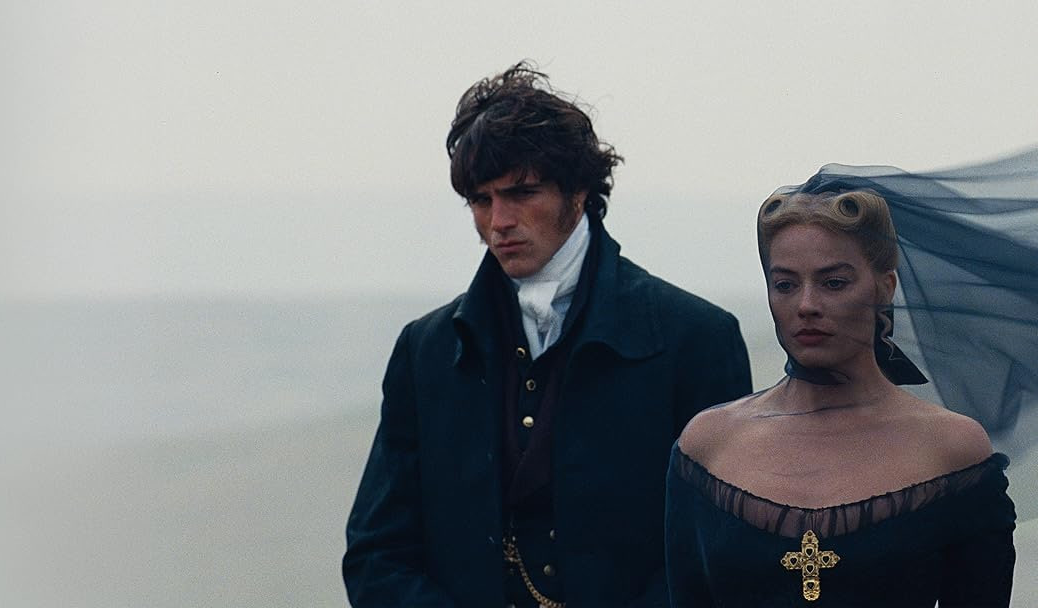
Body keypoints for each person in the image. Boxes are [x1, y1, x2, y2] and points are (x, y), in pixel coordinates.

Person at [343, 61, 753, 607]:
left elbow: (720, 550)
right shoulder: (426, 351)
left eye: (521, 193)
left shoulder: (694, 339)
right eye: (481, 200)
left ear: (578, 190)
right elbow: (376, 554)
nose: (498, 221)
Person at [665, 178, 1022, 606]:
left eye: (833, 283)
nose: (806, 305)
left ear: (885, 287)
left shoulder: (950, 449)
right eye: (785, 284)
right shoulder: (709, 445)